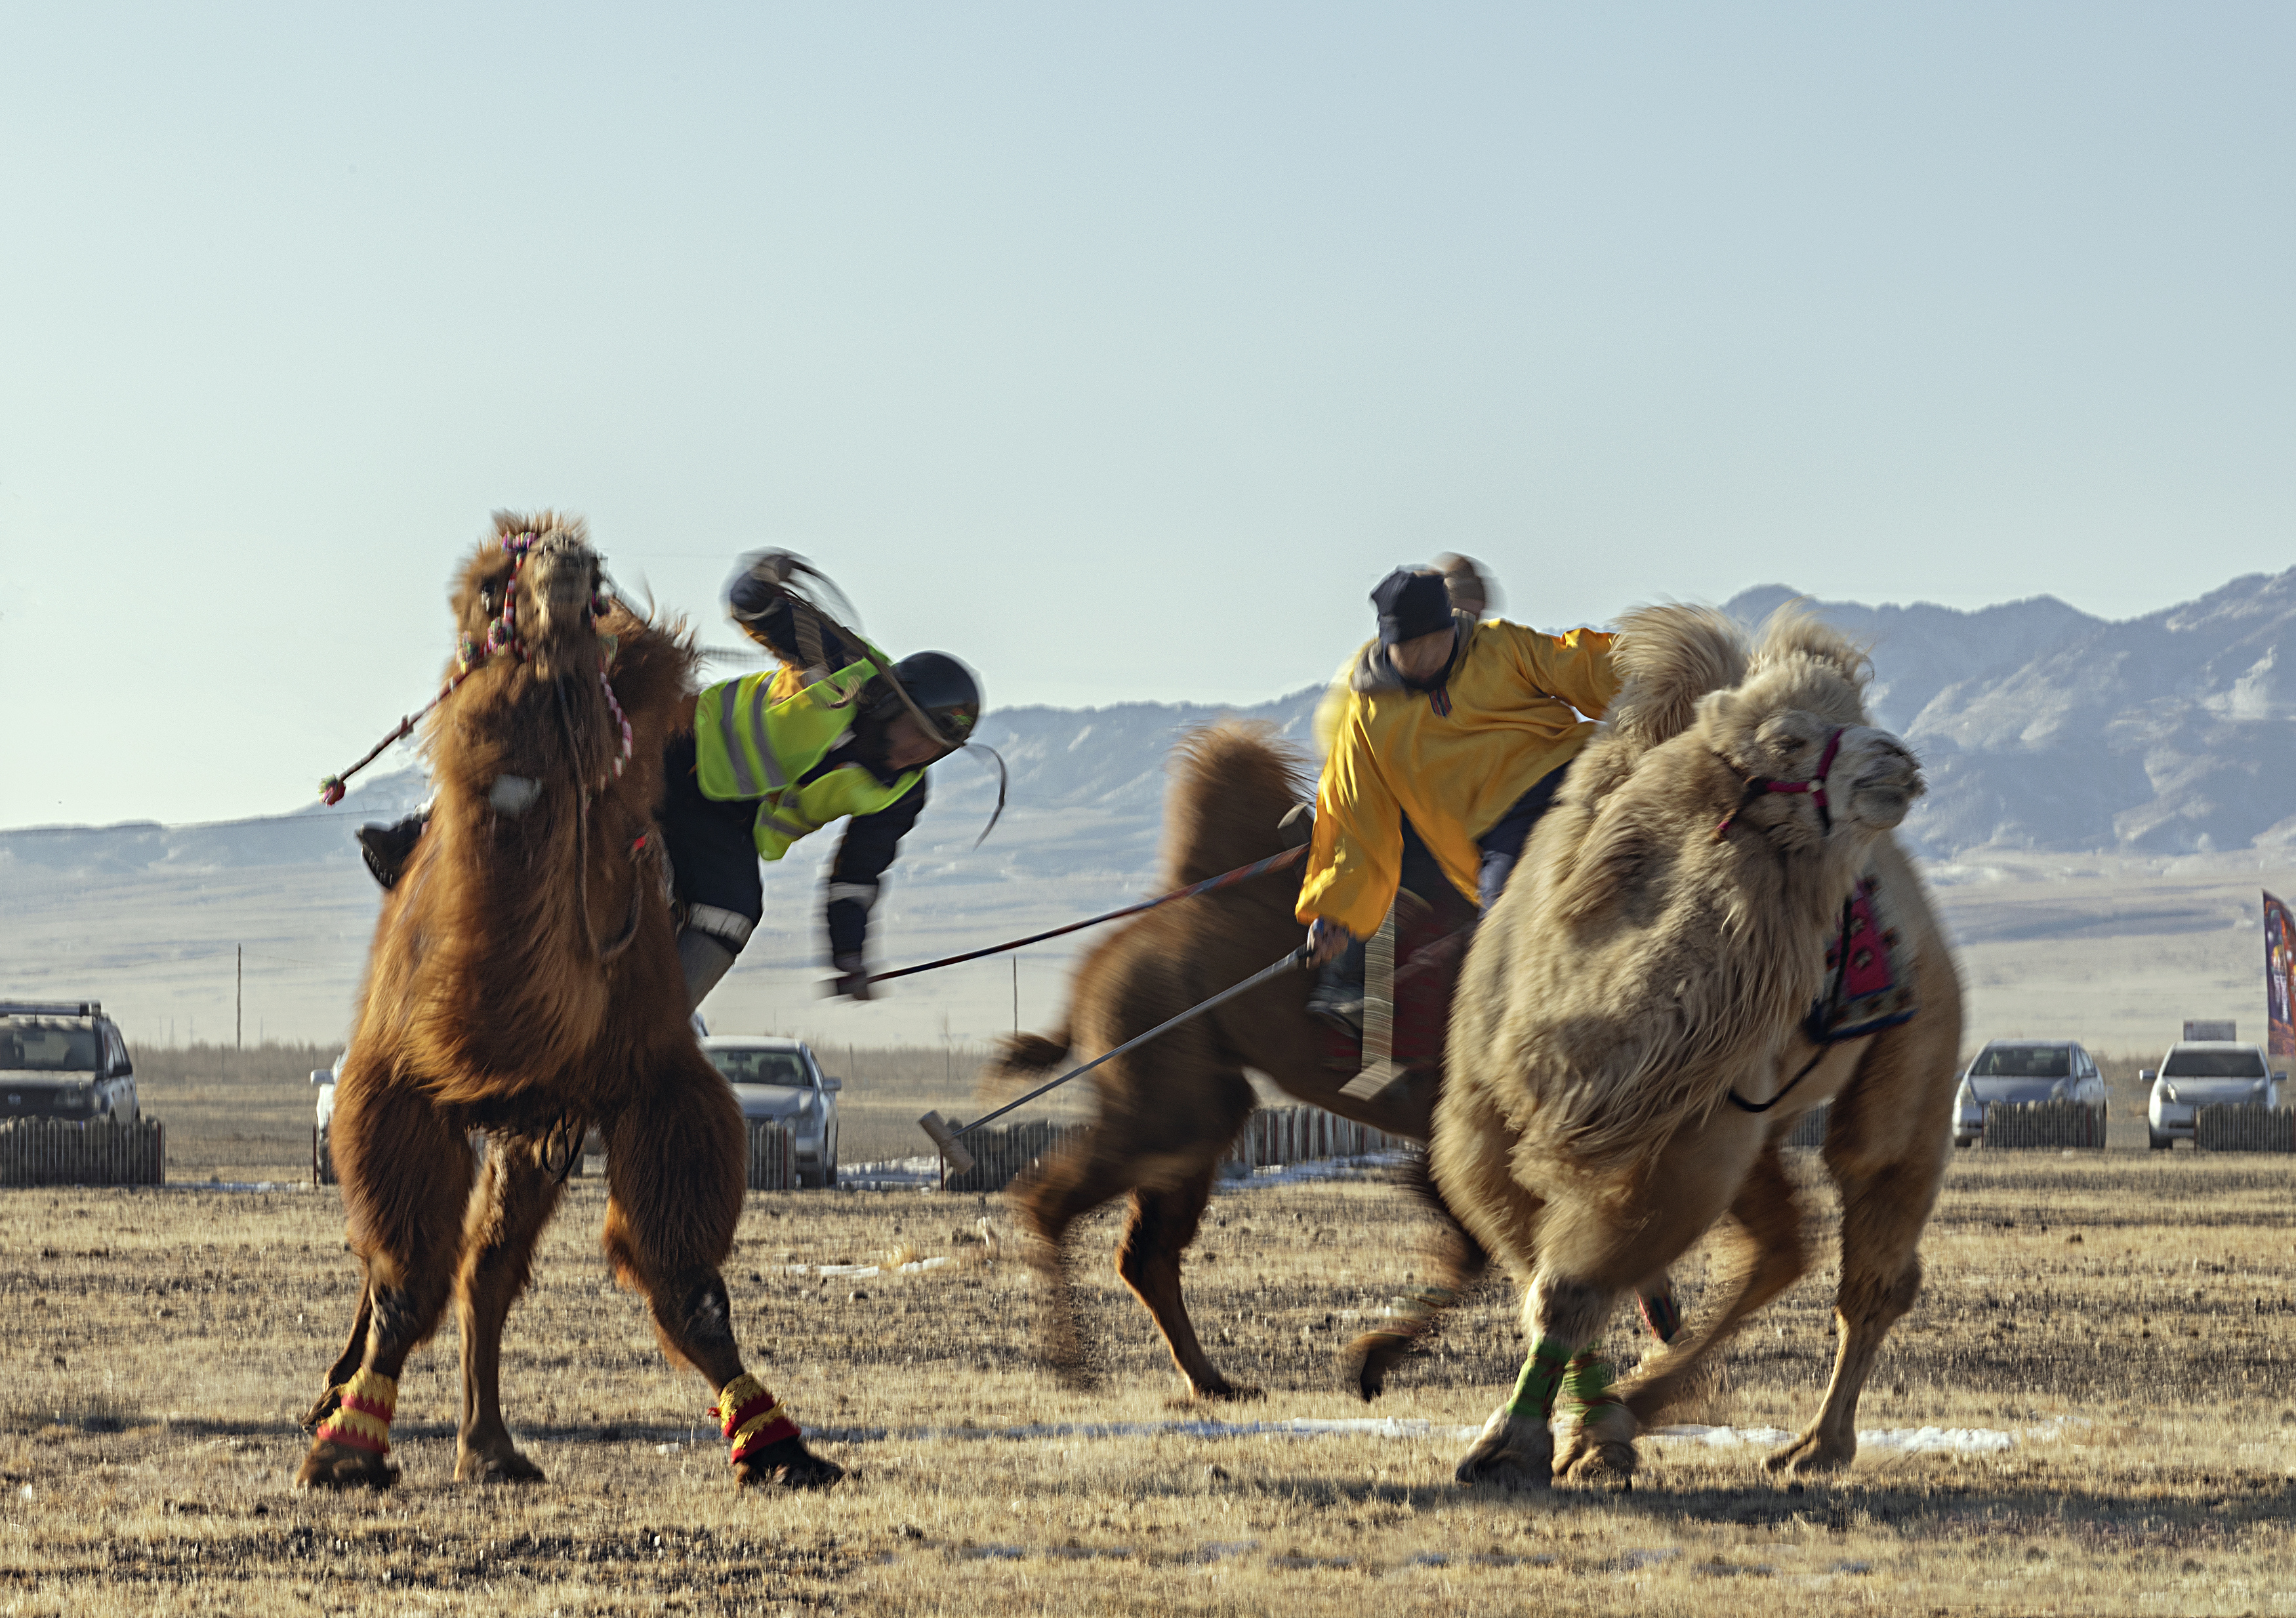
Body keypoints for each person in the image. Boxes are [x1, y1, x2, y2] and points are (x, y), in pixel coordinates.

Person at [356, 552, 983, 1011]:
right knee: (557, 766)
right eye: (920, 731)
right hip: (678, 748)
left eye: (939, 748)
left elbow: (857, 876)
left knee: (738, 912)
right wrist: (761, 583)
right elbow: (748, 605)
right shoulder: (845, 666)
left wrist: (849, 956)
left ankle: (652, 1032)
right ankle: (417, 837)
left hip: (729, 824)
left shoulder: (906, 791)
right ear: (893, 702)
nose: (920, 752)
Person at [1299, 564, 1618, 1028]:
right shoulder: (1368, 721)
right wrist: (1334, 913)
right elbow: (1352, 819)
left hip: (1576, 772)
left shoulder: (1498, 646)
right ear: (1390, 645)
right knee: (1506, 919)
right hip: (1503, 830)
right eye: (1413, 647)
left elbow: (1580, 665)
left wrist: (1657, 662)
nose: (1428, 655)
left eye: (1437, 639)